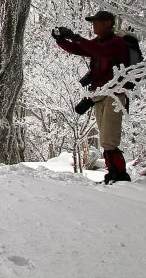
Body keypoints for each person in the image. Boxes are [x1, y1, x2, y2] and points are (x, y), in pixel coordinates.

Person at [52, 10, 132, 184]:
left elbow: (99, 51)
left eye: (97, 22)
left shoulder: (117, 44)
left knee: (109, 139)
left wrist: (77, 38)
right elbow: (80, 49)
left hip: (115, 95)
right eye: (93, 22)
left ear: (108, 23)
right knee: (105, 139)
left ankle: (119, 175)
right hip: (99, 95)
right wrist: (61, 40)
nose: (94, 25)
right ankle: (113, 174)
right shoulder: (98, 42)